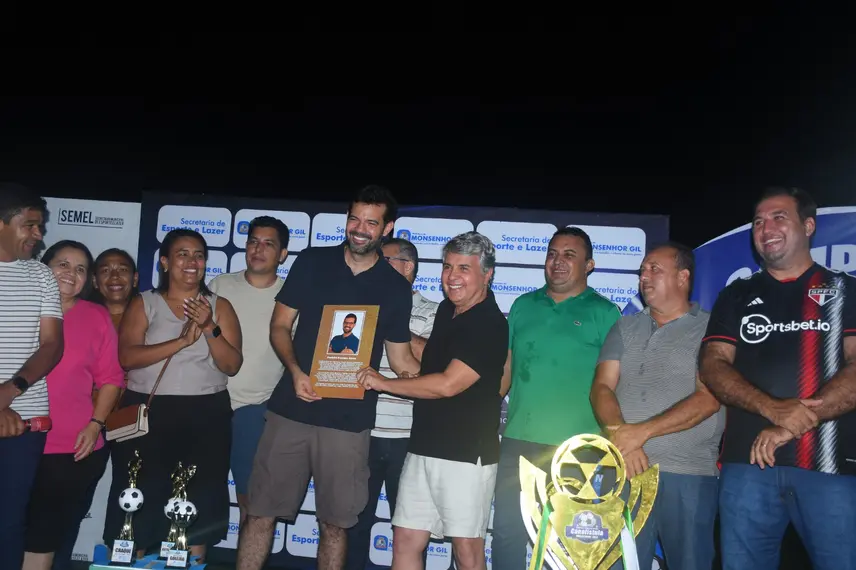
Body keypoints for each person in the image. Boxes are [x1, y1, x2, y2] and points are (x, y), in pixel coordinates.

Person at [237, 185, 419, 570]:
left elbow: (401, 359)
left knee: (335, 525)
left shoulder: (395, 288)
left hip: (348, 423)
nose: (360, 228)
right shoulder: (312, 262)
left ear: (387, 228)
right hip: (291, 408)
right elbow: (279, 326)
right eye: (355, 218)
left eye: (372, 222)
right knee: (260, 513)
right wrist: (296, 371)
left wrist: (448, 381)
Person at [699, 187, 856, 570]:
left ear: (809, 225)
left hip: (829, 467)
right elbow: (712, 365)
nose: (765, 227)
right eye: (758, 221)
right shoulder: (736, 294)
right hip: (748, 465)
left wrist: (795, 422)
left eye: (778, 217)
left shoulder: (846, 289)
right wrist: (773, 409)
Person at [357, 231, 508, 570]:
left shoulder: (489, 323)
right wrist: (392, 329)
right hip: (423, 446)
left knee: (467, 551)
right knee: (406, 541)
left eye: (464, 269)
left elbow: (447, 384)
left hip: (466, 456)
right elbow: (430, 359)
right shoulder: (446, 310)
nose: (452, 277)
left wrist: (383, 382)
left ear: (487, 274)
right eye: (447, 266)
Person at [105, 229, 243, 561]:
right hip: (149, 412)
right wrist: (180, 342)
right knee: (139, 494)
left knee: (198, 497)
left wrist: (209, 327)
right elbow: (128, 357)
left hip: (206, 414)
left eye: (198, 255)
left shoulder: (220, 306)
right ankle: (130, 563)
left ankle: (189, 564)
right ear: (165, 262)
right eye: (182, 254)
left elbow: (232, 364)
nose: (191, 262)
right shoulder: (145, 303)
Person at [492, 227, 621, 570]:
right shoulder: (521, 306)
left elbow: (612, 384)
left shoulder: (607, 313)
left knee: (570, 543)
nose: (557, 262)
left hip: (580, 450)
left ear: (589, 265)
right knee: (507, 533)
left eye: (569, 255)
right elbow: (505, 368)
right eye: (552, 253)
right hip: (518, 442)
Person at [590, 242, 724, 570]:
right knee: (618, 564)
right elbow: (601, 387)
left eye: (654, 269)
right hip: (625, 470)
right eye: (642, 270)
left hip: (688, 474)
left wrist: (639, 434)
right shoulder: (625, 326)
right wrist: (623, 438)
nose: (644, 277)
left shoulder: (713, 328)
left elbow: (709, 398)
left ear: (683, 277)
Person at [23, 240, 124, 570]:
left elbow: (111, 378)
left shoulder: (95, 316)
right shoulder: (17, 304)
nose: (71, 273)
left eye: (80, 269)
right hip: (15, 437)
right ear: (44, 265)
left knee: (47, 536)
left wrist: (95, 424)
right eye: (63, 264)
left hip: (72, 446)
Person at [345, 237, 439, 570]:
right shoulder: (359, 308)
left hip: (411, 439)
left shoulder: (434, 311)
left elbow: (436, 363)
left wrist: (393, 323)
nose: (375, 267)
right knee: (353, 523)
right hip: (361, 432)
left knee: (411, 532)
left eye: (383, 261)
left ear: (408, 267)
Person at [0, 183, 64, 570]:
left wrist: (9, 391)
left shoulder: (41, 275)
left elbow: (52, 345)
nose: (39, 236)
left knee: (9, 522)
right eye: (30, 226)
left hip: (24, 419)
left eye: (40, 227)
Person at [209, 215, 289, 525]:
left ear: (282, 254)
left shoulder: (291, 296)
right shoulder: (219, 285)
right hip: (210, 404)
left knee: (250, 500)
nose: (259, 249)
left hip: (257, 411)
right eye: (253, 241)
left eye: (269, 244)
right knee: (196, 489)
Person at [93, 248, 139, 329]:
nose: (114, 276)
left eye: (123, 270)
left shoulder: (150, 317)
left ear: (135, 279)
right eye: (105, 270)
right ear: (95, 281)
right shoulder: (82, 318)